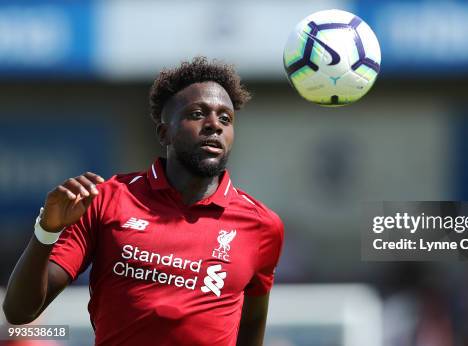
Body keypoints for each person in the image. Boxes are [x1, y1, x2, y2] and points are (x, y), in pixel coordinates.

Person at [2, 57, 284, 346]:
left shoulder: (262, 226)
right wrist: (46, 231)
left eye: (225, 118)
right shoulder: (106, 199)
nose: (214, 125)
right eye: (198, 113)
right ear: (164, 133)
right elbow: (19, 312)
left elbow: (251, 322)